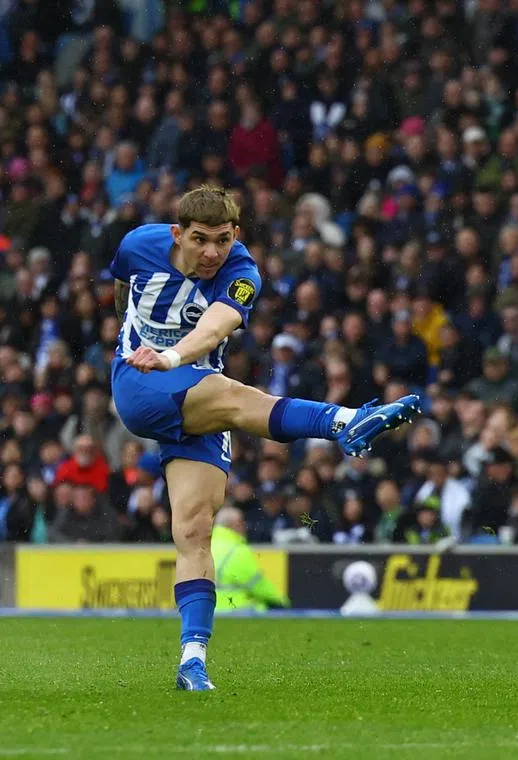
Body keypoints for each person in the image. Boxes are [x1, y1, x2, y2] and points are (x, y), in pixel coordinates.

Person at [109, 186, 421, 691]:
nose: (213, 252)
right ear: (176, 234)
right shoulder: (138, 244)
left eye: (223, 240)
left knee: (193, 530)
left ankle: (193, 659)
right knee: (234, 396)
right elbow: (122, 290)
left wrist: (171, 356)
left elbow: (215, 328)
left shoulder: (241, 274)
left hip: (193, 393)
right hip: (140, 386)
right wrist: (136, 346)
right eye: (200, 240)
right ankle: (342, 423)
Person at [212, 507, 290, 613]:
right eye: (242, 522)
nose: (245, 526)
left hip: (206, 609)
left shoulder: (203, 546)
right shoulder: (237, 550)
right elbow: (258, 585)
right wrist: (282, 601)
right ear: (235, 524)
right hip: (236, 609)